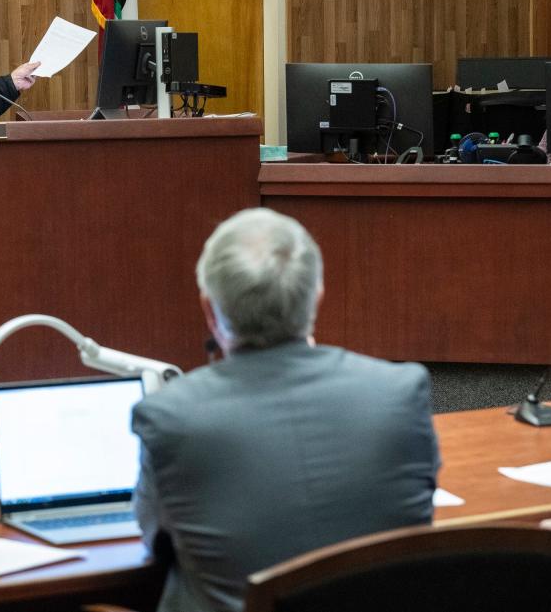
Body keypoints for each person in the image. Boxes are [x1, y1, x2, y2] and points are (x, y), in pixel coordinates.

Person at [131, 208, 440, 612]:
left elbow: (153, 536)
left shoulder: (170, 416)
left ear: (210, 311)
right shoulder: (400, 392)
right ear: (317, 296)